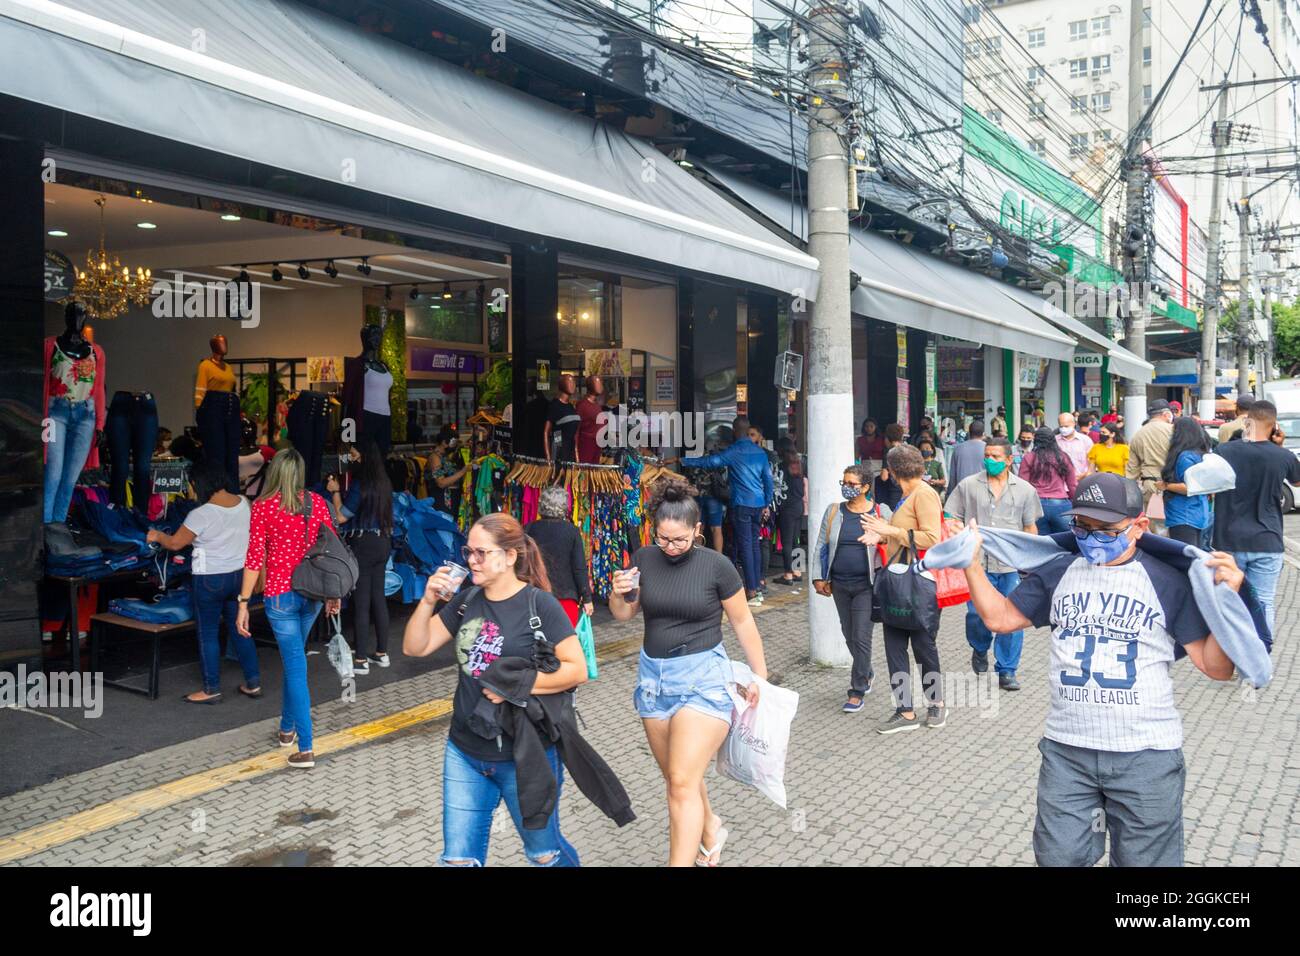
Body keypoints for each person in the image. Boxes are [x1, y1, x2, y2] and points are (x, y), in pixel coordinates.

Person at [961, 473, 1241, 866]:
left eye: (1107, 530)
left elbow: (1216, 668)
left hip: (1145, 755)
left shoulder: (1166, 581)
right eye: (1082, 527)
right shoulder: (1060, 571)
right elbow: (1000, 618)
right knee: (1058, 858)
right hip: (1067, 753)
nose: (1092, 538)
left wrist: (1228, 600)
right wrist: (971, 564)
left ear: (1139, 527)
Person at [402, 513, 589, 867]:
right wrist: (428, 600)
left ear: (509, 556)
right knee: (457, 860)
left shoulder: (541, 606)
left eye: (481, 553)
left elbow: (577, 670)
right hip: (465, 751)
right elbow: (415, 648)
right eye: (468, 551)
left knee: (544, 854)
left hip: (526, 754)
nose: (471, 560)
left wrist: (516, 686)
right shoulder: (466, 601)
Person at [609, 478, 767, 867]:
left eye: (680, 540)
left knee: (680, 783)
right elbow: (624, 615)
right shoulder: (644, 558)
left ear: (697, 531)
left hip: (704, 679)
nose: (671, 547)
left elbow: (743, 623)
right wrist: (617, 593)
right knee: (681, 777)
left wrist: (758, 678)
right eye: (664, 539)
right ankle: (710, 825)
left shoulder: (718, 566)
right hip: (653, 681)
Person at [236, 448, 341, 769]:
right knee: (293, 661)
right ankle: (286, 728)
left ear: (275, 473)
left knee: (295, 666)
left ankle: (306, 747)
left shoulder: (263, 507)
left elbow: (254, 559)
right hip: (310, 594)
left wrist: (242, 603)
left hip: (280, 596)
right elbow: (331, 550)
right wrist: (333, 594)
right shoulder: (318, 503)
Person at [146, 460, 259, 703]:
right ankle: (253, 682)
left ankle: (211, 689)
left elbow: (176, 543)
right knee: (240, 629)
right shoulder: (244, 503)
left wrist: (157, 535)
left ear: (200, 483)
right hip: (239, 577)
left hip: (210, 579)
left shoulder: (201, 513)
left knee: (208, 634)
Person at [859, 444, 946, 733]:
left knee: (924, 648)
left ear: (893, 471)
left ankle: (936, 705)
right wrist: (882, 537)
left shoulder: (924, 494)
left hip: (918, 583)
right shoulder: (907, 495)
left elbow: (932, 538)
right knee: (895, 649)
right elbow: (903, 537)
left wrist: (890, 531)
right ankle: (904, 710)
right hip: (896, 582)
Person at [944, 437, 1042, 691]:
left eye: (996, 456)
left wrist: (1032, 563)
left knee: (1012, 618)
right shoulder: (968, 486)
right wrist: (955, 528)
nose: (990, 460)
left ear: (1010, 460)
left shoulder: (1025, 490)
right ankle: (979, 647)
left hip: (1010, 566)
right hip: (977, 565)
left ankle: (1007, 670)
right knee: (977, 616)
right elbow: (950, 515)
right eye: (987, 455)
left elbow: (1031, 527)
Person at [1212, 400, 1300, 635]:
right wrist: (1279, 446)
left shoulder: (1224, 452)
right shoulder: (1283, 456)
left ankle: (1232, 660)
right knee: (1263, 603)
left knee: (1230, 602)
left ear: (1247, 420)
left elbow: (1209, 488)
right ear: (1274, 426)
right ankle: (1260, 665)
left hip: (1228, 540)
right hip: (1267, 540)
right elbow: (1298, 481)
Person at [680, 416, 773, 607]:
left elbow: (710, 462)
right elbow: (768, 480)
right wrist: (767, 503)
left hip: (741, 504)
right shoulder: (760, 452)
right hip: (758, 504)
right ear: (747, 431)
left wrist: (684, 460)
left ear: (734, 431)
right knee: (754, 545)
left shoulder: (734, 451)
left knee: (746, 546)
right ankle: (757, 586)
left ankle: (752, 591)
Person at [812, 463, 882, 712]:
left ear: (865, 487)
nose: (847, 488)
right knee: (849, 634)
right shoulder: (834, 511)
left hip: (867, 585)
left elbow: (892, 539)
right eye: (844, 483)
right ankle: (867, 671)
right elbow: (822, 545)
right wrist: (818, 577)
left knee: (862, 636)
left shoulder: (880, 512)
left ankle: (857, 690)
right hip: (840, 584)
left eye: (853, 484)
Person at [331, 441, 394, 673]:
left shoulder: (361, 484)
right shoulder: (385, 483)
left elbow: (341, 517)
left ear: (365, 457)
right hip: (383, 542)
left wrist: (335, 492)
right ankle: (382, 653)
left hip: (364, 544)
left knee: (361, 602)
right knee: (379, 598)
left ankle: (360, 660)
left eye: (356, 456)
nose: (353, 460)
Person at [525, 486, 594, 627]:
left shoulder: (528, 529)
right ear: (564, 506)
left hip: (535, 595)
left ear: (541, 504)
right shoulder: (571, 531)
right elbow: (579, 568)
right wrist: (587, 599)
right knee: (564, 641)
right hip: (566, 597)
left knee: (537, 640)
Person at [1157, 418, 1213, 548]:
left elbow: (1190, 487)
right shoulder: (1200, 455)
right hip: (1198, 512)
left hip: (1184, 515)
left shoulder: (1185, 457)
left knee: (1185, 557)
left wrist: (1165, 485)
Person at [1020, 426, 1077, 535]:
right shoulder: (1063, 457)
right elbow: (1072, 485)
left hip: (1036, 505)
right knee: (1066, 542)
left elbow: (1023, 486)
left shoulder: (1029, 457)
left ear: (1035, 440)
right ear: (1053, 440)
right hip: (1061, 505)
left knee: (1040, 544)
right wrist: (1075, 504)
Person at [1126, 399, 1175, 517]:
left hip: (1149, 485)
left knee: (1153, 525)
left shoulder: (1138, 435)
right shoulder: (1174, 431)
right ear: (1166, 414)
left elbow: (1131, 470)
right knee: (1172, 525)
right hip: (1173, 485)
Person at [774, 449, 806, 586]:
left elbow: (776, 487)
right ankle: (798, 571)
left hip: (787, 508)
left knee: (787, 542)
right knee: (796, 540)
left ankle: (788, 574)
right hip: (799, 507)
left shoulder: (781, 468)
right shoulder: (799, 467)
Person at [426, 427, 468, 517]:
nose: (454, 446)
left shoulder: (444, 456)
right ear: (444, 442)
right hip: (442, 503)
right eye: (453, 443)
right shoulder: (435, 458)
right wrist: (462, 472)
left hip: (451, 501)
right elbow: (441, 483)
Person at [946, 419, 987, 500]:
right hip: (983, 492)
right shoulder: (988, 448)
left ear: (969, 433)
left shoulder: (958, 449)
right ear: (983, 434)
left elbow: (953, 475)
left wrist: (949, 495)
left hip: (962, 492)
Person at [543, 373, 581, 463]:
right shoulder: (555, 405)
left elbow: (574, 434)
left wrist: (576, 455)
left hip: (570, 451)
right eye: (570, 382)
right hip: (559, 450)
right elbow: (546, 432)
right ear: (562, 384)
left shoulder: (571, 406)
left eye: (574, 382)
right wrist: (549, 458)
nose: (573, 385)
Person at [873, 423, 905, 511]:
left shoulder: (889, 452)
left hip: (893, 490)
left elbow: (884, 477)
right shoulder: (908, 450)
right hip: (907, 489)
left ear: (887, 438)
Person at [575, 375, 606, 465]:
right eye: (598, 383)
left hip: (597, 444)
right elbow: (576, 430)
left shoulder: (596, 405)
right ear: (591, 385)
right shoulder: (582, 405)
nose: (601, 386)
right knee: (584, 473)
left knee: (593, 472)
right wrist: (576, 452)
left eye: (601, 384)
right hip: (586, 444)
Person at [1054, 412, 1093, 480]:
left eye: (1066, 426)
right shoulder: (1054, 441)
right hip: (1060, 483)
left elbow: (1092, 462)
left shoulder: (1085, 440)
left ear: (1074, 424)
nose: (1063, 429)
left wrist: (1084, 475)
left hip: (1081, 482)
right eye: (1061, 426)